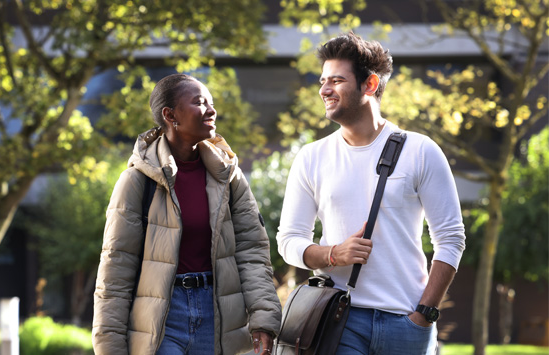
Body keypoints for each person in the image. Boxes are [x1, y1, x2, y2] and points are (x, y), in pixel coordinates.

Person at [276, 32, 466, 354]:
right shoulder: (312, 157)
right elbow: (289, 241)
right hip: (338, 320)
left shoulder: (421, 151)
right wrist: (332, 254)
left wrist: (425, 314)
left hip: (406, 324)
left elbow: (451, 238)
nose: (324, 90)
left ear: (370, 84)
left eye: (336, 80)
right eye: (323, 80)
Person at [93, 73, 281, 355]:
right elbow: (115, 270)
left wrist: (264, 318)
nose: (212, 110)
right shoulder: (137, 181)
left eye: (211, 102)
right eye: (199, 102)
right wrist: (109, 346)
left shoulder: (229, 176)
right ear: (171, 115)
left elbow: (252, 251)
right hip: (161, 321)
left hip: (219, 316)